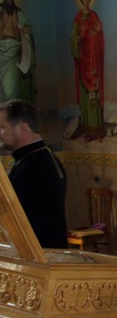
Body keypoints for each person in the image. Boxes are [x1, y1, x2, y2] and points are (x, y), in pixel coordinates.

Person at [0, 99, 67, 248]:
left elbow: (27, 223)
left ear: (22, 128)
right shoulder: (39, 157)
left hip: (41, 253)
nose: (0, 134)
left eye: (2, 128)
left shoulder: (35, 166)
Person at [70, 0, 105, 143]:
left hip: (93, 62)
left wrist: (94, 33)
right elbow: (73, 40)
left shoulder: (94, 16)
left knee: (94, 98)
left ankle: (97, 130)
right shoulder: (78, 18)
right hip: (83, 61)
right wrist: (80, 38)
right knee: (86, 98)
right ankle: (87, 131)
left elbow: (99, 37)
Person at [0, 0, 35, 104]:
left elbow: (28, 31)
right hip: (1, 52)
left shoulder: (19, 14)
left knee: (10, 91)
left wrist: (23, 30)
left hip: (13, 54)